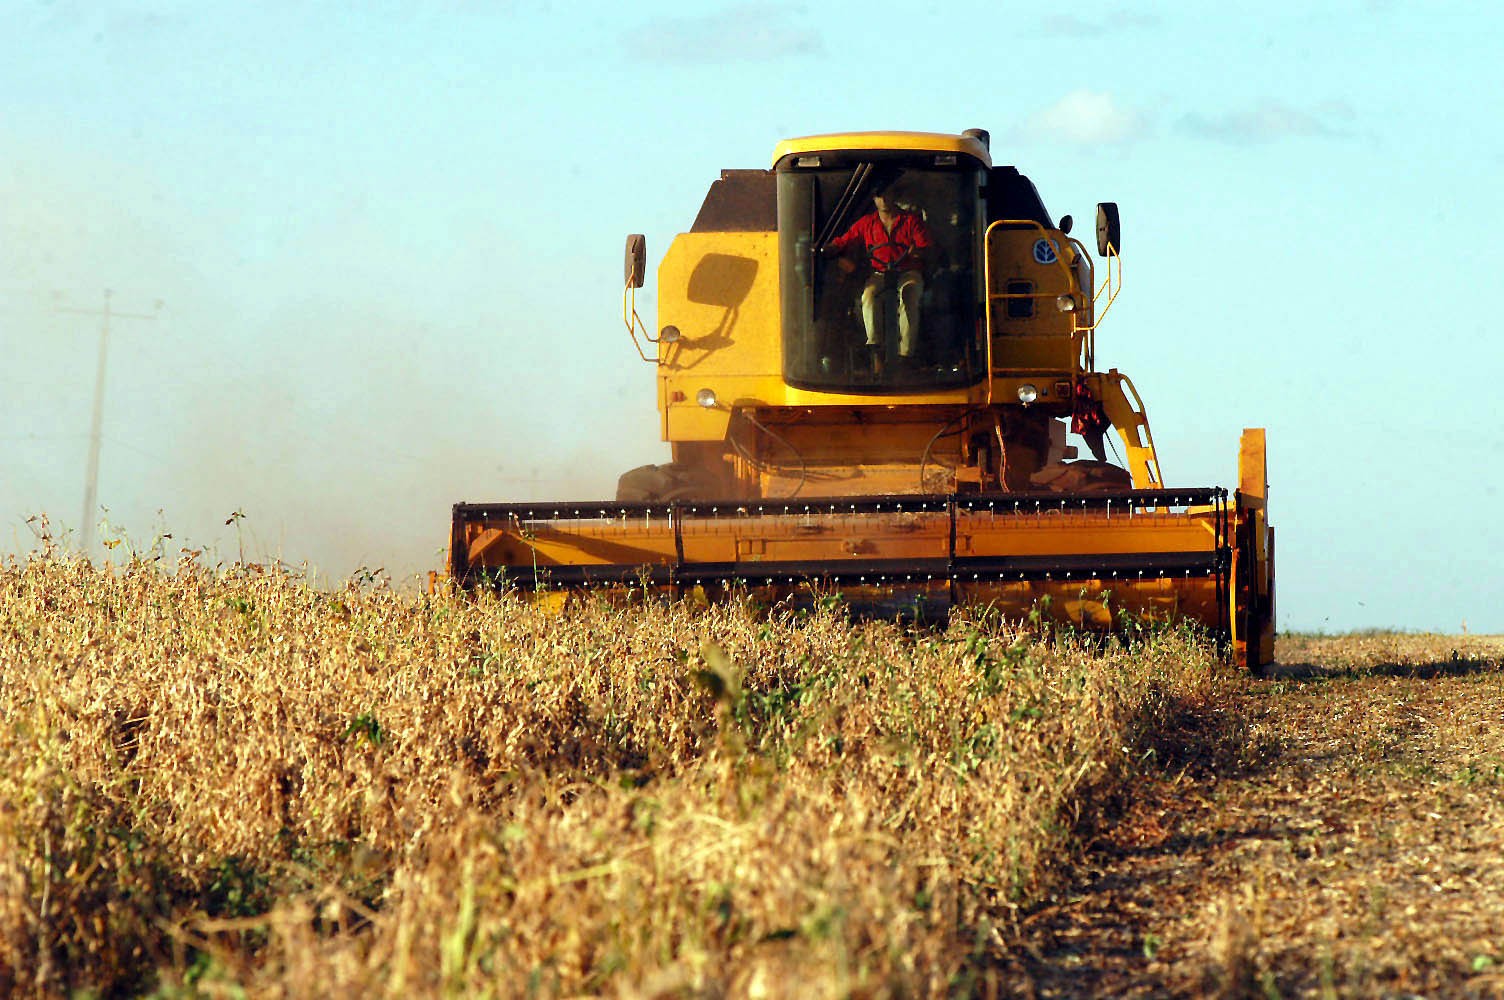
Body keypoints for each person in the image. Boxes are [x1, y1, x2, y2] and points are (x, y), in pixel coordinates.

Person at [824, 189, 934, 370]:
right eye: (879, 196)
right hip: (880, 273)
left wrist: (918, 253)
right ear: (874, 199)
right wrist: (830, 248)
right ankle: (876, 351)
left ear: (895, 196)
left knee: (909, 294)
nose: (883, 200)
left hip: (907, 272)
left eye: (887, 194)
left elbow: (926, 248)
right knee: (868, 296)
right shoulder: (866, 223)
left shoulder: (911, 221)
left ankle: (906, 355)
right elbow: (846, 239)